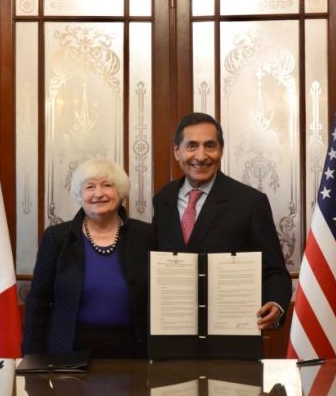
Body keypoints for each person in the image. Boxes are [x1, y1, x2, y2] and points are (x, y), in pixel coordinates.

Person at [152, 112, 292, 329]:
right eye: (192, 146)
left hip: (232, 334)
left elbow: (275, 271)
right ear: (176, 152)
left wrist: (275, 303)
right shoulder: (163, 200)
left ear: (221, 151)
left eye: (210, 145)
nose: (201, 155)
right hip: (173, 331)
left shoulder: (250, 202)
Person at [22, 158, 153, 358]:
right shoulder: (56, 238)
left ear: (121, 193)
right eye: (89, 187)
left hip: (133, 352)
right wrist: (31, 358)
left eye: (107, 185)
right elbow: (38, 301)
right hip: (68, 353)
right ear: (79, 195)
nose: (98, 194)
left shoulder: (146, 236)